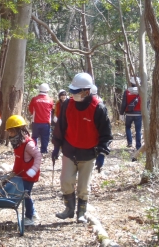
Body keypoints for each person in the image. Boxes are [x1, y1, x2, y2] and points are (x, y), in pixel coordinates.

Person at [52, 72, 112, 223]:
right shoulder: (67, 105)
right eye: (71, 91)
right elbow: (61, 126)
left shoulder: (98, 108)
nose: (72, 94)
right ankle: (69, 209)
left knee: (84, 187)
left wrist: (101, 154)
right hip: (69, 150)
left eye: (75, 91)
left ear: (86, 91)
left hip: (89, 154)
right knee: (66, 181)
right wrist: (56, 146)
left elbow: (106, 134)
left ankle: (81, 213)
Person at [5, 115, 42, 226]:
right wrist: (13, 173)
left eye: (11, 132)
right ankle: (34, 213)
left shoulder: (28, 144)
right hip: (21, 173)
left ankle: (29, 217)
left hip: (29, 174)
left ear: (18, 131)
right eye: (9, 133)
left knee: (25, 195)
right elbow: (18, 159)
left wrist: (33, 169)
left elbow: (38, 156)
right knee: (25, 194)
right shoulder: (18, 143)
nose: (10, 135)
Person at [28, 83, 54, 154]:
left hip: (36, 122)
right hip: (46, 123)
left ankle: (34, 150)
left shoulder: (34, 99)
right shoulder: (50, 100)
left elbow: (30, 109)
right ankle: (44, 150)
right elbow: (51, 109)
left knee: (35, 137)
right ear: (47, 91)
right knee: (45, 137)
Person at [119, 77, 142, 149]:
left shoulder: (127, 91)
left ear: (131, 83)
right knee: (138, 130)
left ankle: (130, 143)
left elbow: (124, 103)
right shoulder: (141, 92)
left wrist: (121, 113)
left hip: (129, 114)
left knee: (127, 127)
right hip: (139, 114)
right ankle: (138, 146)